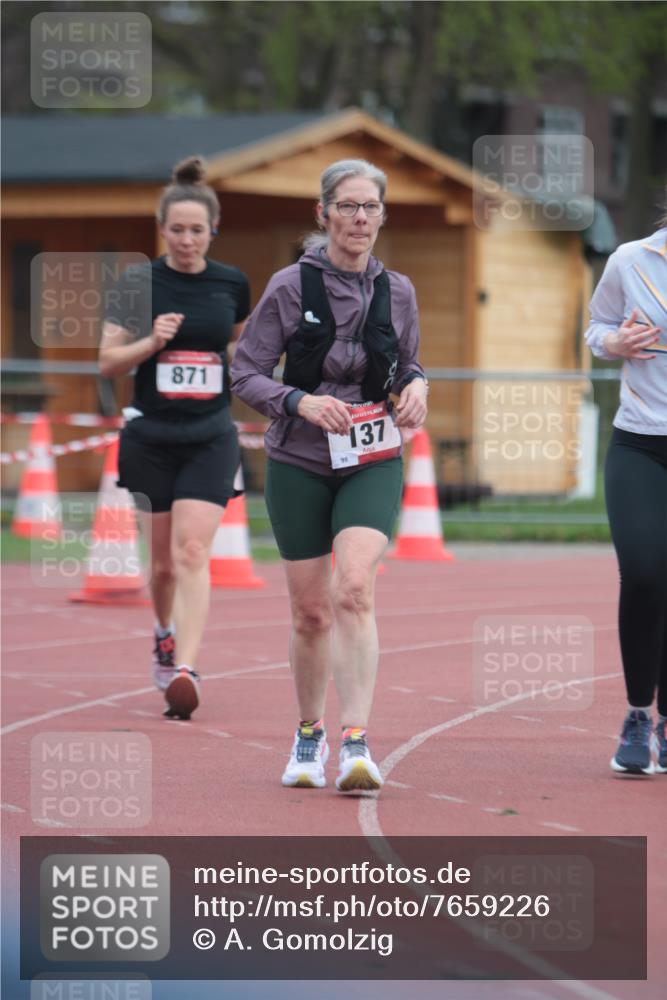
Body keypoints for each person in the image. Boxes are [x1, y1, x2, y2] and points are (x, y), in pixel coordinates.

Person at [231, 158, 428, 792]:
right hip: (300, 461)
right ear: (324, 214)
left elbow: (409, 364)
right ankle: (309, 733)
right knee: (311, 611)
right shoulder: (290, 286)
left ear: (382, 215)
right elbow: (246, 372)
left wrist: (418, 386)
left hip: (372, 458)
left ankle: (357, 742)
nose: (360, 218)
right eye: (347, 206)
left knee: (354, 590)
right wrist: (300, 401)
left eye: (371, 207)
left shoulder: (398, 290)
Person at [99, 156, 250, 720]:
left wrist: (265, 382)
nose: (187, 240)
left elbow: (236, 350)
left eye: (197, 230)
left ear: (213, 230)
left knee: (192, 551)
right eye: (177, 229)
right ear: (162, 229)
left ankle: (186, 668)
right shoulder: (138, 283)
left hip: (211, 435)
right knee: (161, 566)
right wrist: (151, 342)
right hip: (150, 436)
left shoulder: (232, 283)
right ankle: (163, 633)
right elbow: (107, 362)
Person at [585, 215, 666, 775]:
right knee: (642, 570)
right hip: (640, 443)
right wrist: (615, 341)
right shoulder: (631, 259)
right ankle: (639, 714)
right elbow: (596, 329)